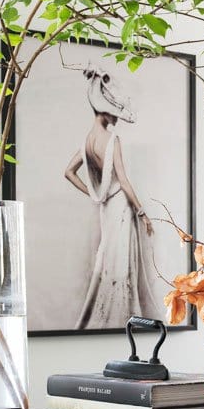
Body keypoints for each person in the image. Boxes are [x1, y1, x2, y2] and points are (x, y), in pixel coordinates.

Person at [65, 67, 158, 329]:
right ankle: (123, 318)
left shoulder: (87, 141)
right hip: (119, 207)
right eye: (112, 112)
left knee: (111, 258)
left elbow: (68, 172)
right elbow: (124, 180)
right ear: (104, 110)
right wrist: (142, 212)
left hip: (107, 208)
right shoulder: (112, 139)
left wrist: (94, 196)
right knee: (120, 261)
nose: (116, 117)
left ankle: (116, 318)